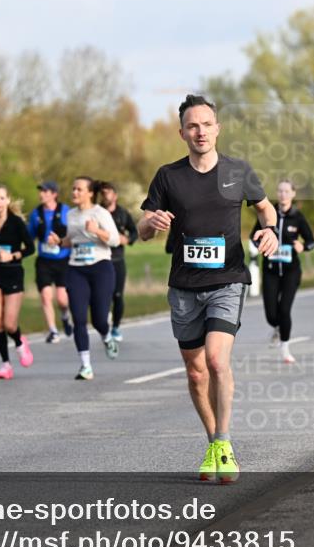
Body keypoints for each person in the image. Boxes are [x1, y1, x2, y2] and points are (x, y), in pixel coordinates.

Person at [137, 94, 278, 484]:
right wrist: (152, 224)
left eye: (206, 124)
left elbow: (265, 208)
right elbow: (142, 228)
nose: (200, 131)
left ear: (218, 129)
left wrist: (271, 230)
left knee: (216, 361)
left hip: (227, 281)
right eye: (192, 126)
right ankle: (213, 441)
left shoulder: (238, 171)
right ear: (182, 133)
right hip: (184, 286)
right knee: (196, 372)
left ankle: (224, 442)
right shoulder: (168, 176)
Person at [64, 176, 120, 380]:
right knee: (78, 318)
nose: (74, 192)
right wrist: (59, 241)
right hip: (76, 269)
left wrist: (97, 230)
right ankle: (85, 366)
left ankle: (106, 335)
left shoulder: (100, 213)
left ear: (90, 193)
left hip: (100, 268)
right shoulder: (70, 214)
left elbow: (115, 240)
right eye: (73, 189)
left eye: (79, 189)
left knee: (99, 320)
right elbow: (72, 240)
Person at [254, 180, 314, 364]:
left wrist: (302, 246)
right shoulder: (268, 214)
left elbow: (312, 242)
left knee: (284, 310)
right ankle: (276, 327)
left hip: (291, 271)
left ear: (293, 194)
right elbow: (254, 237)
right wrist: (261, 243)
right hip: (270, 270)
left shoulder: (297, 217)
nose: (283, 195)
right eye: (280, 191)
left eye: (287, 191)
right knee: (271, 314)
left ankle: (285, 348)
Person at [0, 185, 35, 379]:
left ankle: (19, 342)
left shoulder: (16, 223)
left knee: (9, 324)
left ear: (8, 200)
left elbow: (30, 248)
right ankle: (6, 364)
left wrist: (12, 256)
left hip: (13, 273)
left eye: (2, 198)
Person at [27, 181, 73, 344]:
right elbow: (29, 236)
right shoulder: (36, 214)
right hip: (44, 261)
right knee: (46, 296)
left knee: (62, 299)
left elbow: (73, 233)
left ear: (54, 194)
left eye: (45, 191)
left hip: (63, 259)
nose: (42, 194)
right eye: (41, 191)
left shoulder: (66, 211)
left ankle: (65, 315)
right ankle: (53, 331)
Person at [99, 180, 138, 342]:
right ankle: (104, 322)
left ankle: (115, 327)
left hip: (117, 260)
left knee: (117, 295)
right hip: (100, 259)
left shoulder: (122, 213)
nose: (104, 195)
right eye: (102, 193)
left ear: (115, 196)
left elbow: (134, 233)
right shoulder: (97, 212)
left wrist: (126, 239)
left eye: (107, 192)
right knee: (102, 295)